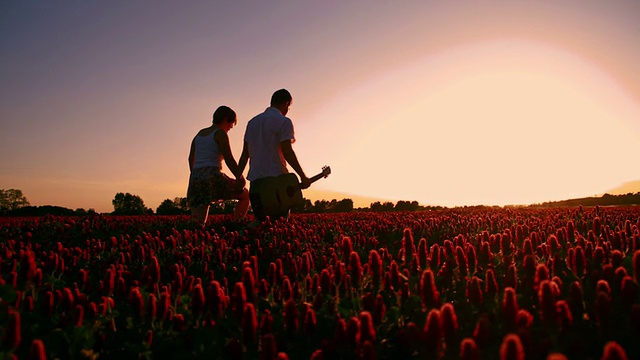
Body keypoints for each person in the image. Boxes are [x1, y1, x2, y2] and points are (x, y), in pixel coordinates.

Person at [238, 89, 311, 222]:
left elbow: (244, 155)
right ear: (286, 103)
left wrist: (238, 177)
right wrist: (302, 175)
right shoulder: (284, 121)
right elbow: (287, 152)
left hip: (256, 182)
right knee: (279, 225)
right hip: (276, 182)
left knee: (260, 225)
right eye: (288, 107)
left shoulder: (252, 122)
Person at [187, 105, 249, 227]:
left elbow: (190, 158)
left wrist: (195, 175)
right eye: (231, 123)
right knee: (245, 195)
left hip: (196, 177)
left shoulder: (199, 134)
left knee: (198, 221)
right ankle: (236, 225)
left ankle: (195, 240)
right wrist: (239, 177)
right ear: (226, 119)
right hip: (213, 174)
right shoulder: (220, 133)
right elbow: (229, 159)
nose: (231, 127)